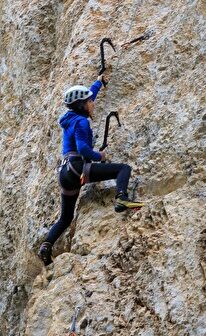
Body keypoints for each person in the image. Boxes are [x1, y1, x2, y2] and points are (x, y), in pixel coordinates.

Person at [39, 75, 144, 265]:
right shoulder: (81, 122)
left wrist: (98, 83)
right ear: (82, 105)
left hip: (65, 174)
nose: (93, 104)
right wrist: (99, 156)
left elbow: (87, 100)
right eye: (89, 102)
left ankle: (46, 246)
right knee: (123, 169)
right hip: (77, 168)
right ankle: (121, 198)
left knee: (66, 217)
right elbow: (82, 149)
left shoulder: (71, 119)